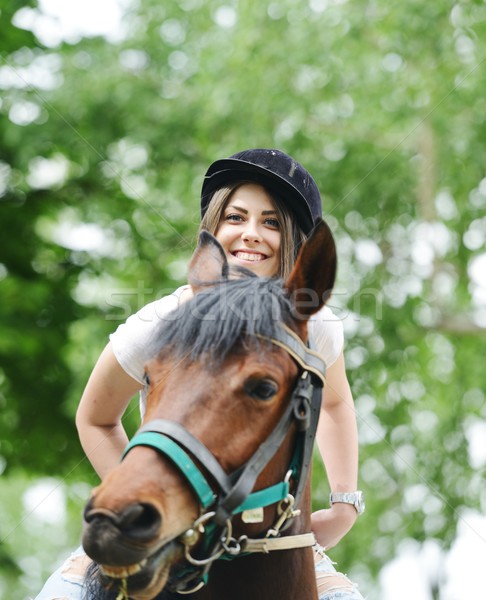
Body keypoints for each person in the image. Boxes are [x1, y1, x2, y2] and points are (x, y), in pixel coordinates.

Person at [35, 149, 365, 600]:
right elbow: (95, 418)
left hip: (270, 534)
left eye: (271, 222)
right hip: (157, 529)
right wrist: (153, 501)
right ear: (213, 227)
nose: (252, 233)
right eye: (236, 216)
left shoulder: (312, 326)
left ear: (291, 239)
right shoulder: (160, 322)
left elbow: (335, 403)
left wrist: (345, 504)